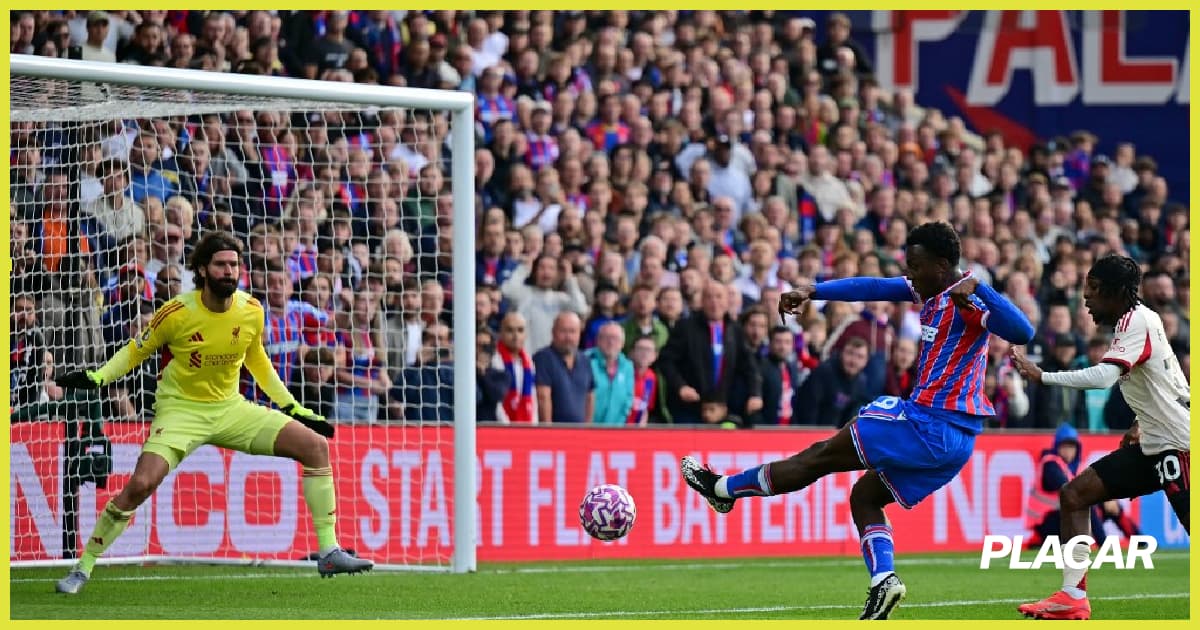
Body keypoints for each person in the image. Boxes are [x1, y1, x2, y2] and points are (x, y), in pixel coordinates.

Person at [678, 221, 1034, 619]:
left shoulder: (968, 302)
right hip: (955, 441)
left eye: (915, 265)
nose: (909, 272)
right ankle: (884, 579)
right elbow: (875, 287)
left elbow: (1023, 330)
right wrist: (814, 290)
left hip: (928, 424)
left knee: (818, 458)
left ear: (942, 264)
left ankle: (722, 490)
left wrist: (982, 287)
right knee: (865, 497)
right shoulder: (931, 288)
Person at [51, 231, 372, 594]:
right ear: (202, 270)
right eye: (221, 264)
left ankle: (328, 549)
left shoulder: (251, 310)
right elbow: (135, 350)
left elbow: (258, 362)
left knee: (315, 446)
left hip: (231, 409)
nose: (229, 271)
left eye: (234, 264)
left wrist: (292, 407)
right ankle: (83, 567)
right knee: (140, 484)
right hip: (181, 413)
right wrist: (98, 378)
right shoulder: (176, 312)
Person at [1009, 254, 1189, 620]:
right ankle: (1072, 596)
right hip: (1155, 442)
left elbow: (1105, 377)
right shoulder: (1139, 321)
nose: (1085, 298)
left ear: (1114, 291)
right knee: (1075, 495)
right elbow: (1168, 384)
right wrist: (1141, 422)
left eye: (1092, 289)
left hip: (1179, 447)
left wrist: (1044, 376)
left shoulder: (1137, 321)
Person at [1023, 423, 1141, 551]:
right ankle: (1104, 546)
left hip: (1066, 521)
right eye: (1064, 446)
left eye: (1072, 446)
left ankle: (1140, 541)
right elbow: (1072, 489)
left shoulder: (1074, 468)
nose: (1068, 451)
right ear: (1057, 447)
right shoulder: (1050, 465)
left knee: (1112, 506)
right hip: (1046, 523)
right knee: (1088, 504)